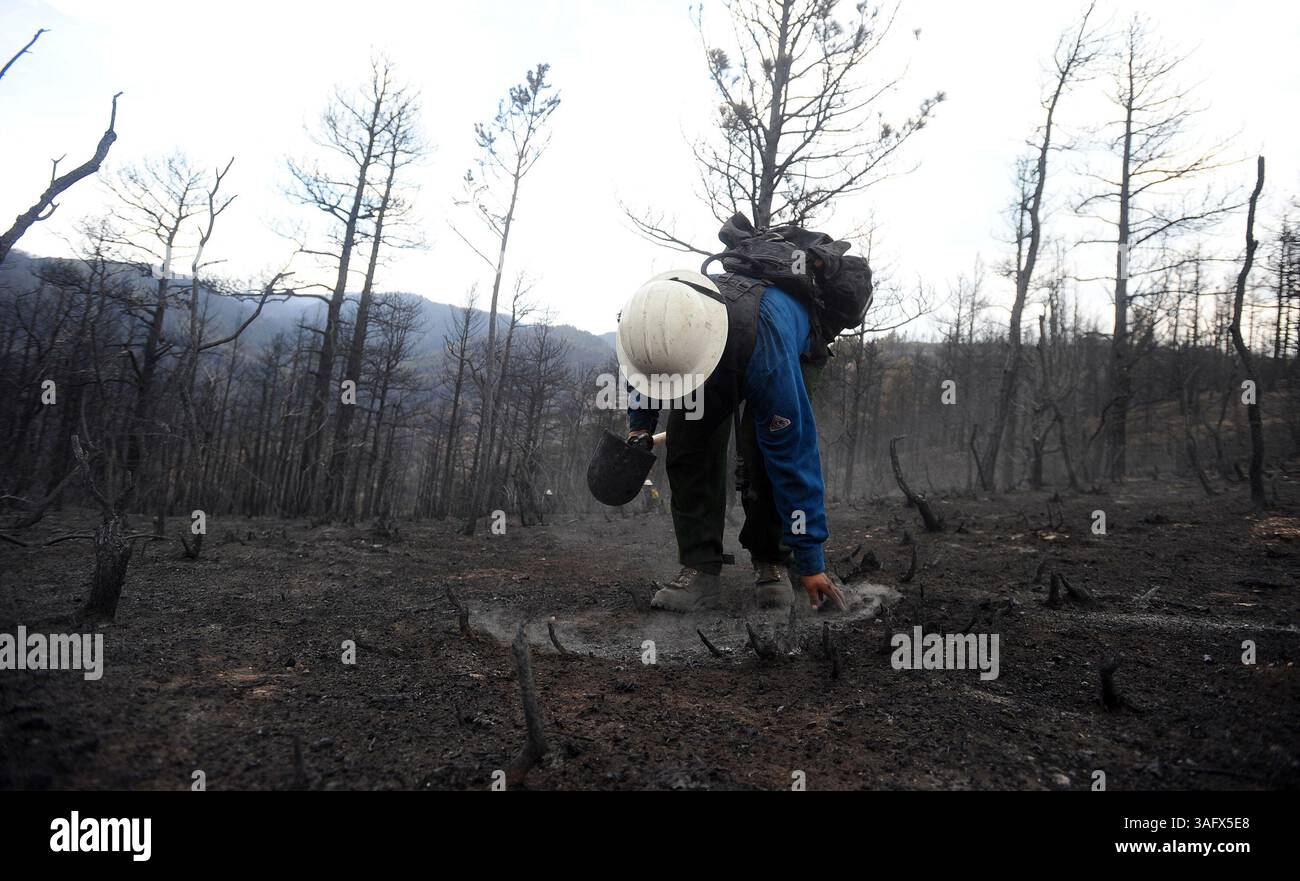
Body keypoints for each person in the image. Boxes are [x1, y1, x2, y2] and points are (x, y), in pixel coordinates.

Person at [617, 269, 845, 613]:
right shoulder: (653, 317)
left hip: (782, 346)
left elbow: (796, 460)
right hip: (713, 346)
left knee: (766, 454)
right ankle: (700, 569)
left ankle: (773, 560)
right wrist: (640, 426)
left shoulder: (770, 361)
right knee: (687, 445)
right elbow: (646, 367)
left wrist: (812, 562)